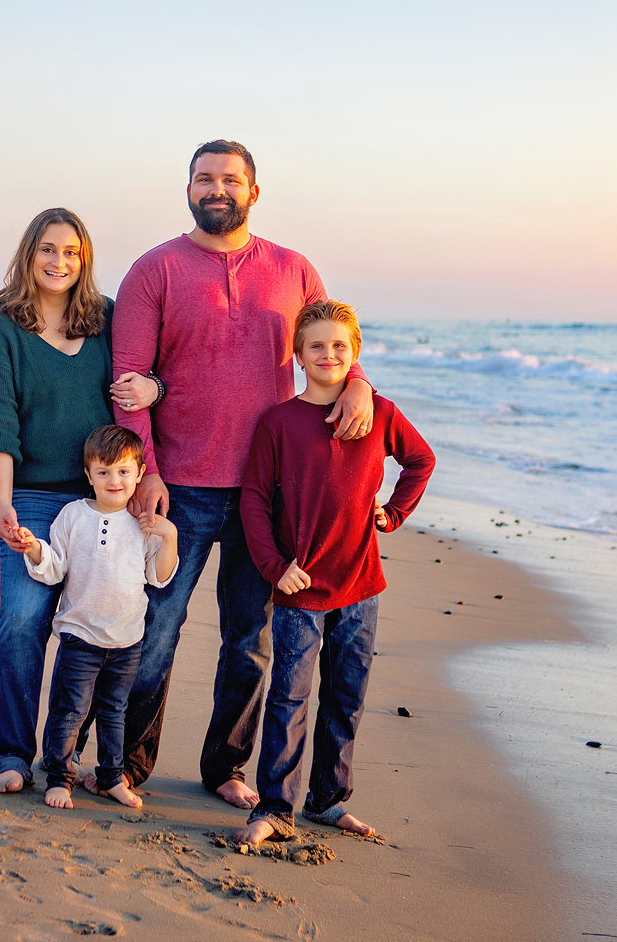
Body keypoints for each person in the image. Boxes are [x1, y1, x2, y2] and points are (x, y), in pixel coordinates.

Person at [100, 140, 375, 807]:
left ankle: (225, 768)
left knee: (248, 643)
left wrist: (360, 384)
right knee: (155, 630)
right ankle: (127, 766)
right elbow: (126, 381)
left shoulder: (293, 269)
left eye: (230, 179)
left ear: (254, 191)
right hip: (180, 488)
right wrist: (146, 476)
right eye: (204, 179)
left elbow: (331, 349)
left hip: (270, 492)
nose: (215, 189)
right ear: (188, 188)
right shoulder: (154, 270)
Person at [0, 208, 158, 794]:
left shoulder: (106, 320)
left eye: (71, 252)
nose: (59, 262)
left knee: (108, 631)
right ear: (29, 254)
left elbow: (149, 374)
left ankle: (71, 760)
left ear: (85, 260)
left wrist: (156, 387)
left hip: (106, 502)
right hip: (34, 499)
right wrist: (4, 504)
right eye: (48, 249)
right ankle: (11, 756)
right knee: (24, 621)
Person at [235, 301, 436, 844]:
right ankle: (275, 808)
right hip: (300, 588)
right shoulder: (278, 422)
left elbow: (421, 461)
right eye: (317, 345)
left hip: (361, 587)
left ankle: (328, 800)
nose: (329, 354)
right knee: (290, 698)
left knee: (346, 697)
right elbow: (253, 500)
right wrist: (275, 568)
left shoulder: (379, 414)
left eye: (339, 346)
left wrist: (392, 514)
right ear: (297, 355)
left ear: (356, 354)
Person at [14, 425, 179, 810]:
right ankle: (59, 778)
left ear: (139, 474)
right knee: (70, 710)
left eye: (123, 471)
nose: (114, 480)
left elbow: (159, 576)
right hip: (80, 637)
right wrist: (34, 548)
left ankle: (111, 778)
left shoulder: (143, 524)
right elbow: (54, 568)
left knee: (114, 713)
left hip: (126, 641)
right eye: (103, 472)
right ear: (88, 475)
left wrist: (168, 537)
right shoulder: (73, 516)